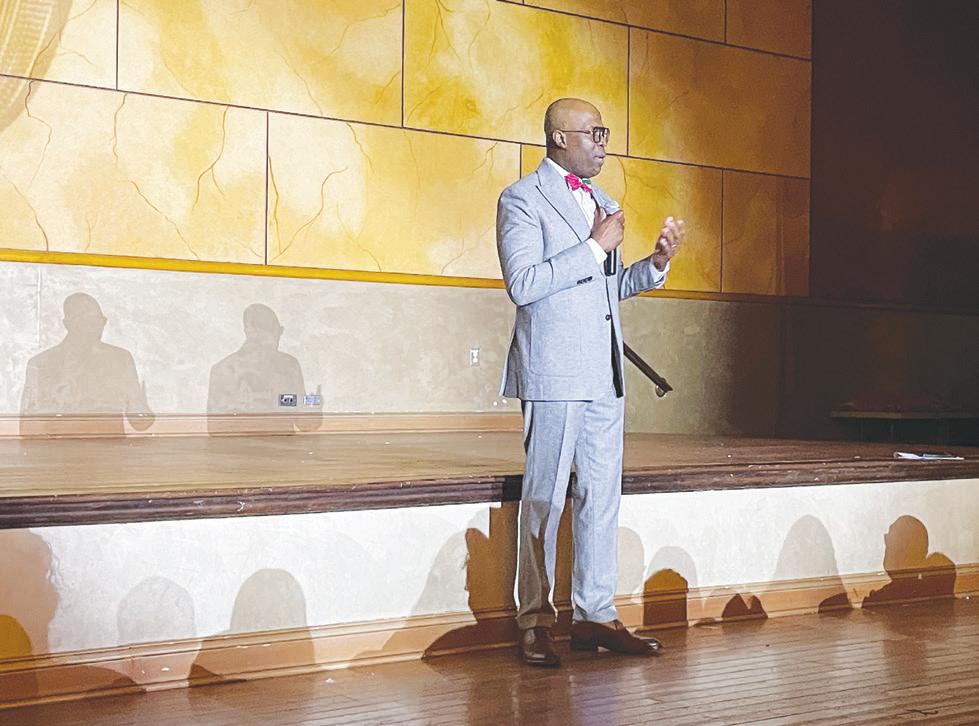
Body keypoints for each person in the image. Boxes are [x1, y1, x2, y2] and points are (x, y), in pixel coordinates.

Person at [496, 98, 685, 667]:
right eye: (593, 133)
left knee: (601, 497)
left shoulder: (604, 202)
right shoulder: (521, 198)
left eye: (605, 133)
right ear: (559, 137)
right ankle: (535, 620)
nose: (604, 143)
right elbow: (523, 284)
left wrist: (654, 266)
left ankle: (595, 614)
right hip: (554, 373)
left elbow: (605, 289)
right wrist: (593, 246)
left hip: (604, 374)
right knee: (545, 498)